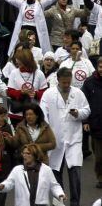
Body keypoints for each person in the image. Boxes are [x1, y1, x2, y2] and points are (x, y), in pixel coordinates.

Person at [40, 66, 90, 206]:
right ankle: (59, 204)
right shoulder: (48, 94)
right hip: (55, 142)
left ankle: (75, 203)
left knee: (75, 176)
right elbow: (43, 115)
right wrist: (47, 130)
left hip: (74, 140)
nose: (67, 85)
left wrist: (78, 113)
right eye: (64, 83)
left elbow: (87, 110)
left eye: (69, 82)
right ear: (58, 80)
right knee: (56, 176)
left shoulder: (78, 93)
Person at [0, 143, 65, 205]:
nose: (24, 156)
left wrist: (60, 194)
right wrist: (3, 186)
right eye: (23, 153)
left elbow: (54, 185)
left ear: (35, 155)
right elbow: (9, 182)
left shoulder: (46, 170)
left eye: (28, 153)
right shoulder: (17, 170)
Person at [82, 58, 102, 188]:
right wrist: (85, 121)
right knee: (99, 157)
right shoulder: (89, 82)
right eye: (101, 66)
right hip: (97, 125)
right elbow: (83, 103)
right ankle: (101, 178)